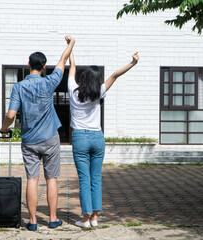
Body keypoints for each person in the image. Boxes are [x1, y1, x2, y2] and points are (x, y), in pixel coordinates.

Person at [0, 36, 75, 231]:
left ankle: (32, 221)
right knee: (51, 178)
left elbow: (11, 114)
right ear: (44, 66)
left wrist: (4, 128)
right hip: (50, 137)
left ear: (28, 65)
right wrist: (70, 44)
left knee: (32, 178)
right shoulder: (49, 81)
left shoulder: (18, 87)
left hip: (29, 140)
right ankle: (52, 219)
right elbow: (62, 61)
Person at [67, 49, 139, 228]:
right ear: (97, 80)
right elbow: (115, 75)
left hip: (79, 138)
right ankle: (95, 219)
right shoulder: (99, 91)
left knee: (84, 179)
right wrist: (133, 63)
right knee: (96, 178)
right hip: (97, 138)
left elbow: (72, 66)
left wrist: (71, 47)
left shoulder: (73, 90)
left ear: (83, 78)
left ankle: (84, 219)